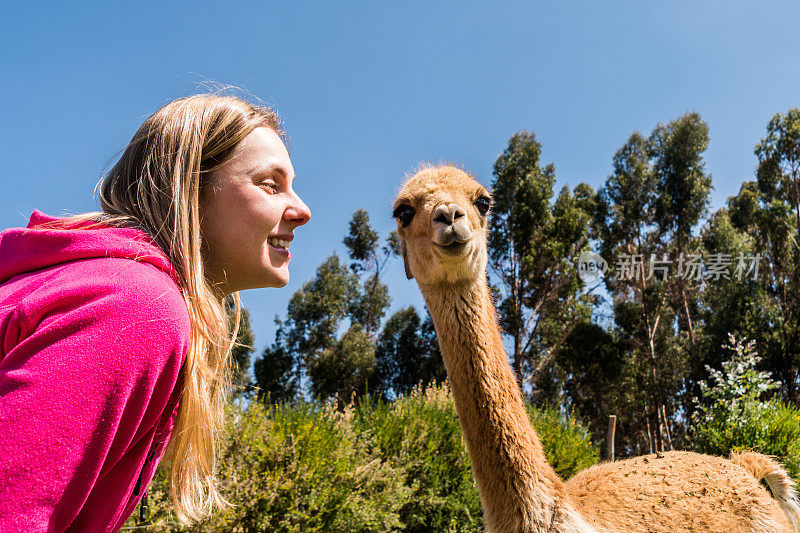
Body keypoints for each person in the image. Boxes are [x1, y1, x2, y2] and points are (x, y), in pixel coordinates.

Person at [0, 94, 311, 531]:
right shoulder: (135, 307)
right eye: (269, 184)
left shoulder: (106, 287)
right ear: (189, 189)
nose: (303, 210)